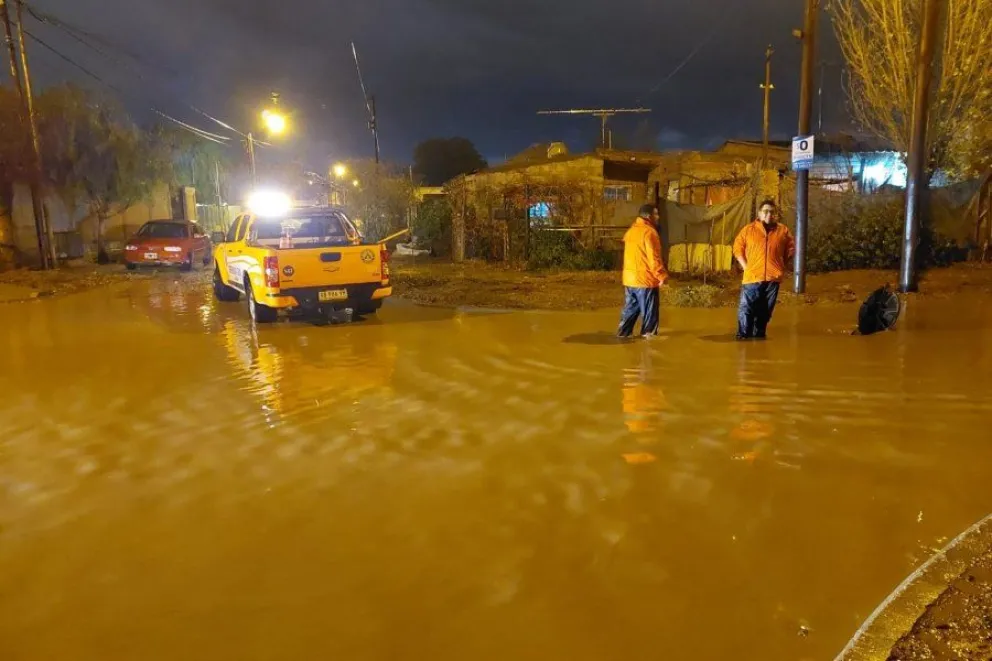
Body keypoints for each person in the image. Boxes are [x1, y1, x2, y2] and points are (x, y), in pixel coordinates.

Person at [732, 199, 795, 340]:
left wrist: (781, 266)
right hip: (752, 278)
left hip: (773, 278)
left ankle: (759, 336)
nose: (769, 214)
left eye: (772, 212)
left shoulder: (783, 231)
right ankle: (743, 336)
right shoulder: (748, 230)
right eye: (765, 211)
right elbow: (737, 248)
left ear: (776, 214)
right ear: (759, 214)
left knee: (765, 311)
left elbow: (790, 249)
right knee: (747, 309)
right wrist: (745, 267)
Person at [618, 204, 668, 338]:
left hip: (629, 280)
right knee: (649, 320)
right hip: (645, 281)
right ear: (648, 216)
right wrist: (661, 275)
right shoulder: (650, 232)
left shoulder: (631, 231)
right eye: (655, 214)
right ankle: (648, 345)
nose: (658, 217)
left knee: (629, 312)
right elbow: (654, 258)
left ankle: (623, 335)